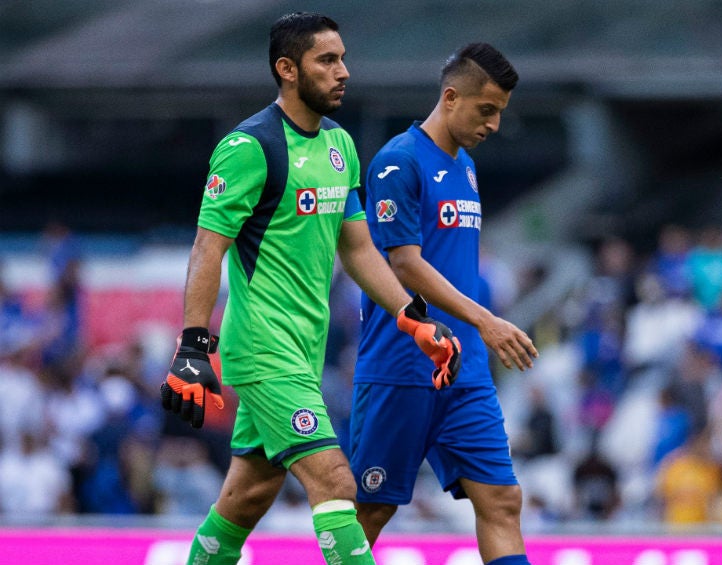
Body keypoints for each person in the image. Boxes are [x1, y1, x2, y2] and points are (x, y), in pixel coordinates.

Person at [159, 13, 460, 565]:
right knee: (335, 483)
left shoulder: (341, 145)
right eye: (328, 60)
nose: (343, 71)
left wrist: (414, 316)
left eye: (343, 58)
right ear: (287, 69)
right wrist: (193, 346)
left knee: (246, 497)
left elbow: (360, 249)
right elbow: (208, 248)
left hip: (304, 348)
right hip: (262, 347)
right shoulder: (250, 147)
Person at [351, 43, 539, 565]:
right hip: (402, 365)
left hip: (466, 371)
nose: (495, 124)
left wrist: (477, 332)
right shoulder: (397, 162)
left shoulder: (467, 167)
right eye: (487, 110)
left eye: (500, 112)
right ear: (451, 97)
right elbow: (404, 264)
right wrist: (486, 320)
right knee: (371, 511)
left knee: (501, 500)